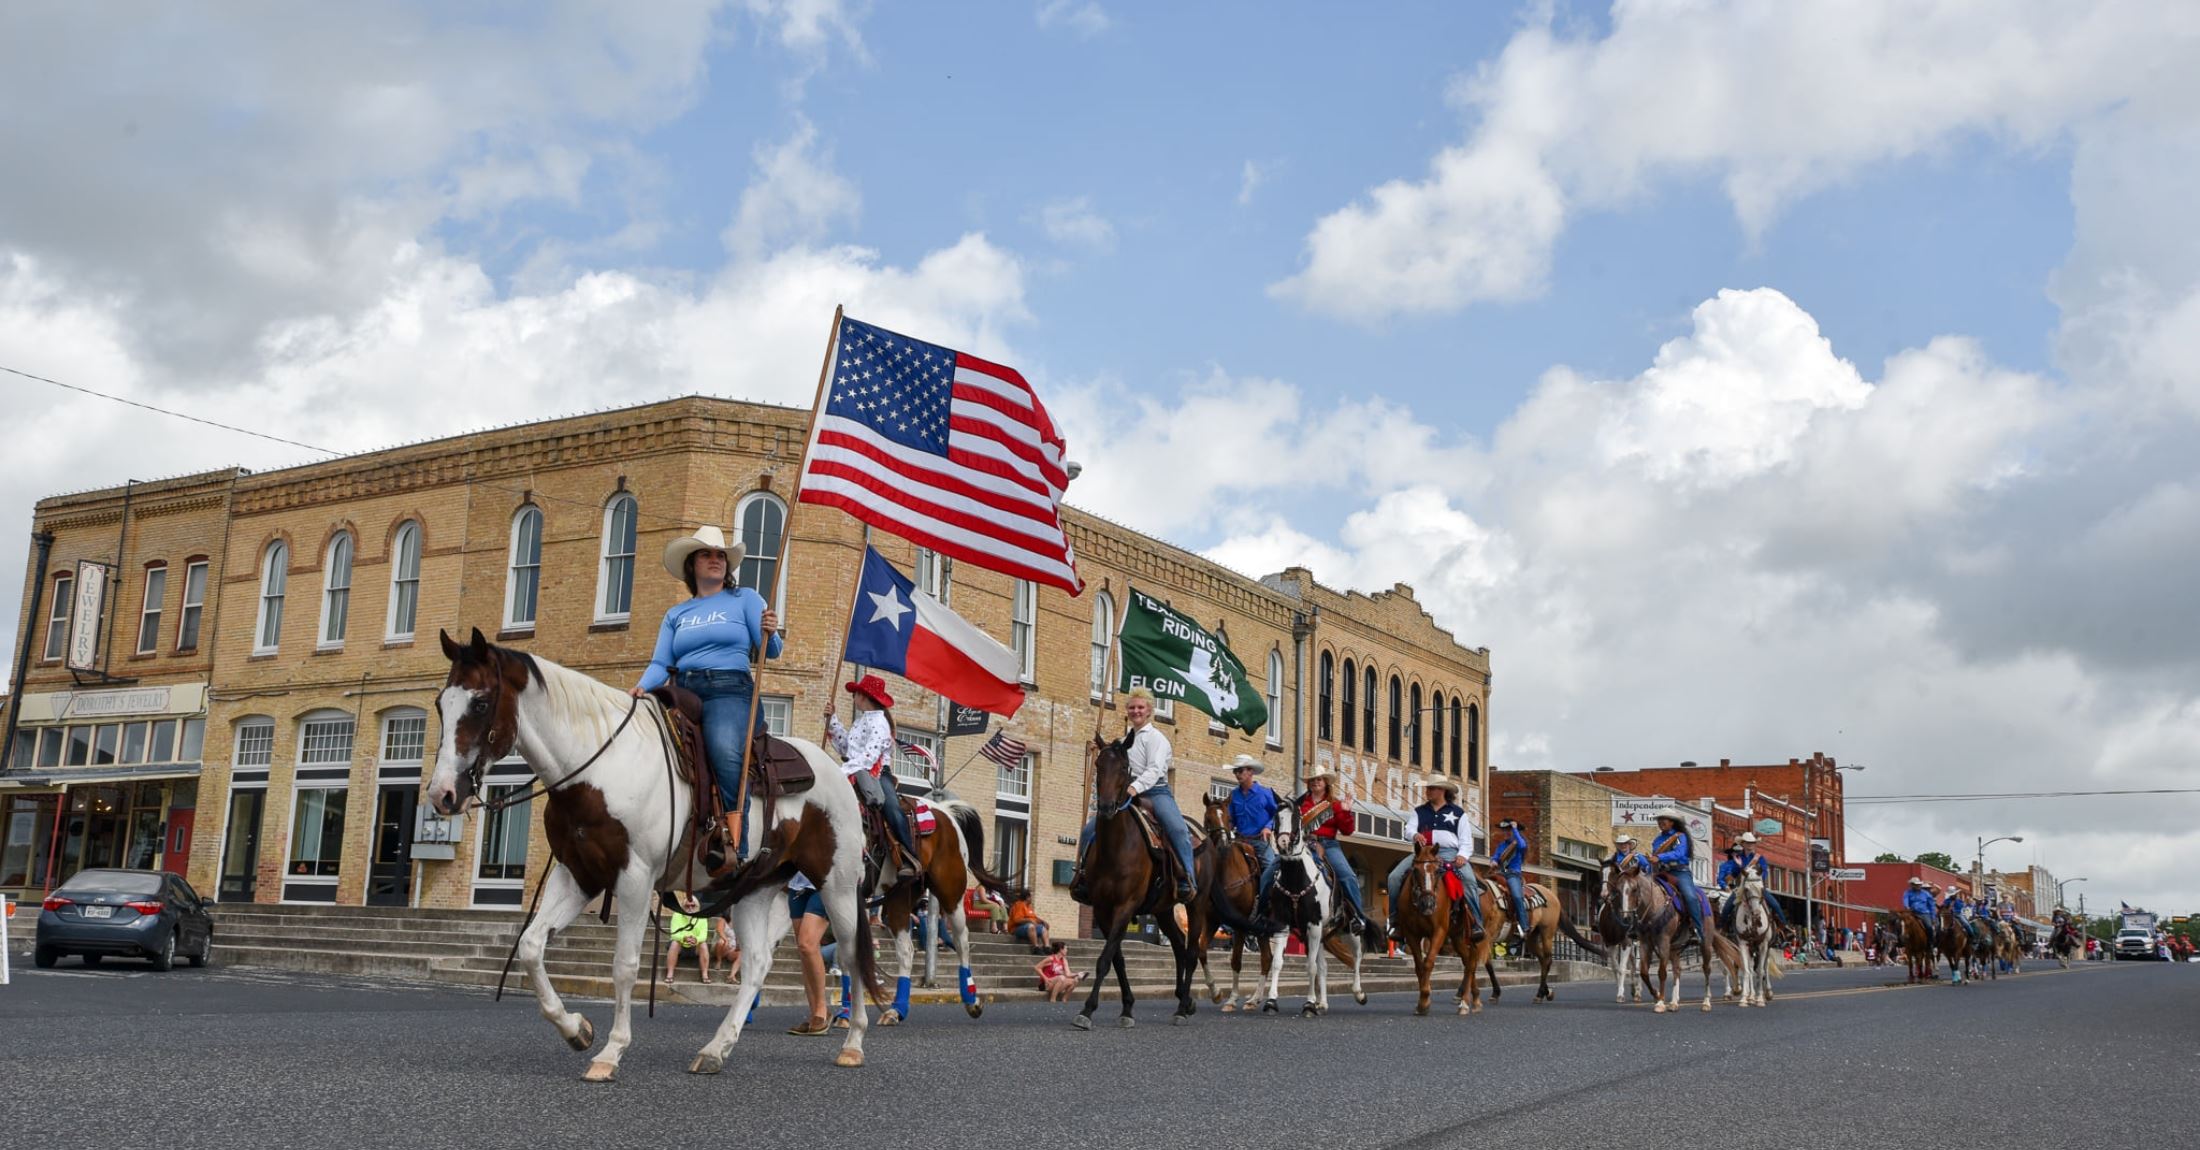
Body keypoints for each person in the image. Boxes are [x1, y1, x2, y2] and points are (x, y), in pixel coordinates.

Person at [630, 524, 783, 855]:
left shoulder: (745, 599)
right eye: (706, 554)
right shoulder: (676, 613)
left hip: (730, 690)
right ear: (692, 564)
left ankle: (735, 844)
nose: (715, 560)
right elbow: (661, 663)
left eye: (720, 555)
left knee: (724, 749)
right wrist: (640, 689)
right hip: (683, 689)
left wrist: (771, 631)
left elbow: (770, 652)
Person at [1074, 688, 1196, 903]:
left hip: (1155, 791)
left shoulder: (1157, 739)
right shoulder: (1124, 740)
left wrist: (1135, 787)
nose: (1136, 711)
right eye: (1132, 707)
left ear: (1149, 710)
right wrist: (1098, 750)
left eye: (1140, 707)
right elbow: (1113, 758)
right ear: (1127, 711)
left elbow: (1155, 769)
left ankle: (1187, 878)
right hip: (1127, 792)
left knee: (1177, 829)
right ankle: (1084, 876)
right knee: (1088, 832)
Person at [824, 674, 919, 882]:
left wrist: (841, 772)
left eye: (855, 694)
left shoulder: (880, 722)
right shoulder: (861, 721)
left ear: (864, 696)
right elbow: (846, 748)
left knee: (891, 808)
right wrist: (832, 721)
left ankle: (909, 856)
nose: (853, 697)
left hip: (876, 773)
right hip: (854, 769)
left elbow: (869, 757)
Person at [1387, 780, 1483, 942]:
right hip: (1423, 853)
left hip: (1449, 852)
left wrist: (1462, 856)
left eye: (1431, 788)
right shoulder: (1420, 811)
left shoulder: (1459, 813)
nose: (1427, 791)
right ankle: (1396, 920)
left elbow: (1466, 840)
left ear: (1442, 790)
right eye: (1427, 788)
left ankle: (1476, 922)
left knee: (1468, 879)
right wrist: (1414, 835)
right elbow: (1408, 830)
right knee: (1394, 877)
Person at [1296, 769, 1369, 933]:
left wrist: (1345, 811)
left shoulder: (1334, 804)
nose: (1315, 782)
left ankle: (1358, 917)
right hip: (1304, 844)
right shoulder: (1300, 804)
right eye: (1312, 779)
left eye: (1319, 779)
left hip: (1329, 845)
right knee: (1276, 869)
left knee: (1348, 876)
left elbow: (1347, 831)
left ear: (1326, 783)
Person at [1224, 753, 1281, 911]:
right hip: (1239, 841)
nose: (1237, 774)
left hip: (1259, 842)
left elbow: (1278, 814)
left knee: (1271, 868)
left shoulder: (1265, 793)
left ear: (1250, 772)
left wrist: (1268, 827)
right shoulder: (1234, 795)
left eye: (1240, 771)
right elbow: (1231, 820)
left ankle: (1270, 906)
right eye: (1235, 771)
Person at [785, 873, 834, 1035]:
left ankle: (822, 1009)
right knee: (804, 951)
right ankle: (815, 1014)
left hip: (825, 881)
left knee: (807, 944)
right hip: (797, 884)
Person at [1649, 811, 1708, 941]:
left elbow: (1679, 854)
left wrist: (1659, 857)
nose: (1661, 823)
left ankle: (1698, 929)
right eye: (1659, 820)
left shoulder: (1680, 837)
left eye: (1664, 820)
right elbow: (1654, 858)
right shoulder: (1657, 840)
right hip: (1661, 872)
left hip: (1680, 872)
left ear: (1672, 822)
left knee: (1691, 897)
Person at [1715, 832, 1789, 933]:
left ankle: (1785, 927)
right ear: (1743, 844)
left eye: (1752, 843)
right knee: (1727, 907)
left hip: (1757, 887)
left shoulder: (1759, 858)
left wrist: (1755, 878)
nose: (1750, 845)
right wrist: (1735, 871)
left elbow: (1764, 872)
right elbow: (1730, 875)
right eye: (1748, 843)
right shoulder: (1737, 858)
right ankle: (1720, 929)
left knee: (1775, 904)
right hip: (1741, 888)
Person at [1492, 818, 1532, 942]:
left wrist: (1515, 829)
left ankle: (1524, 925)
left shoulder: (1518, 843)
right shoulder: (1502, 845)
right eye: (1505, 830)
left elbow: (1522, 845)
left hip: (1513, 875)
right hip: (1500, 873)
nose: (1506, 833)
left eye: (1509, 830)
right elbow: (1496, 856)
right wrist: (1492, 861)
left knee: (1516, 896)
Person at [663, 892, 716, 985]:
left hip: (695, 946)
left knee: (703, 944)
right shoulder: (677, 915)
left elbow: (703, 935)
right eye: (687, 906)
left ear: (697, 906)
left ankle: (705, 975)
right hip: (680, 945)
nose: (690, 908)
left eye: (693, 906)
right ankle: (669, 974)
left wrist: (696, 939)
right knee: (675, 942)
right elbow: (674, 934)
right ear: (683, 907)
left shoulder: (702, 917)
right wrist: (684, 938)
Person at [1008, 889, 1052, 953]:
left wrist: (1042, 921)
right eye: (1031, 896)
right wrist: (1029, 920)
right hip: (1016, 929)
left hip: (1028, 928)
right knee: (1031, 926)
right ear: (1027, 897)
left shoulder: (1028, 907)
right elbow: (1016, 920)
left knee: (1043, 929)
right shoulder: (1019, 905)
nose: (1032, 898)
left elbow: (1034, 918)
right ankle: (1036, 948)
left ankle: (1047, 947)